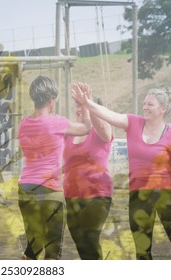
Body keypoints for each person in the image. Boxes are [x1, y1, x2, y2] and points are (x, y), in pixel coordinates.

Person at [72, 84, 171, 260]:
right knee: (142, 249)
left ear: (163, 109)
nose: (145, 107)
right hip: (138, 195)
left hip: (166, 194)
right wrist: (86, 102)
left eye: (150, 104)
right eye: (144, 103)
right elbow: (109, 115)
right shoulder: (132, 123)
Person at [17, 76, 91, 260]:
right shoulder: (57, 122)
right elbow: (86, 128)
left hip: (26, 188)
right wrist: (86, 104)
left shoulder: (23, 125)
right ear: (51, 100)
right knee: (52, 250)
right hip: (50, 189)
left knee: (33, 247)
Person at [63, 82, 114, 260]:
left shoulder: (101, 131)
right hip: (71, 195)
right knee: (81, 244)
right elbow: (67, 164)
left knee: (90, 239)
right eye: (77, 106)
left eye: (82, 106)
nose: (79, 109)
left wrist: (88, 103)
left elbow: (105, 132)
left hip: (96, 194)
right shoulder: (70, 134)